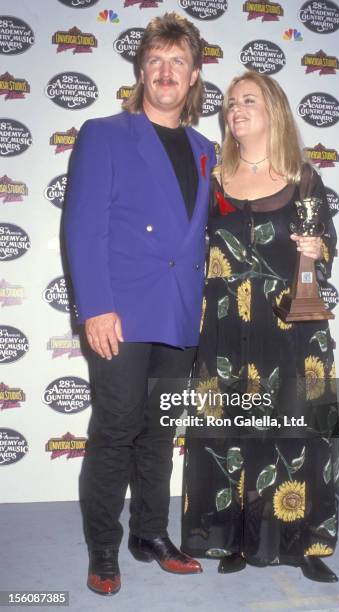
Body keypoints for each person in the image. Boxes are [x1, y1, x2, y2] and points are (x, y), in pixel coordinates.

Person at [64, 12, 216, 595]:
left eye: (178, 61)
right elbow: (82, 227)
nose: (165, 71)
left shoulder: (207, 149)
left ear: (195, 74)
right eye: (156, 61)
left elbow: (204, 235)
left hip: (179, 313)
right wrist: (95, 306)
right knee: (116, 427)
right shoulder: (106, 133)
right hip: (121, 311)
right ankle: (104, 545)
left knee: (160, 432)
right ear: (142, 71)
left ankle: (150, 533)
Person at [181, 71, 339, 582]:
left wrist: (318, 252)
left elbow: (324, 254)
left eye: (248, 100)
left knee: (300, 433)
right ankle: (237, 539)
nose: (235, 109)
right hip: (227, 328)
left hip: (290, 328)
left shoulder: (305, 180)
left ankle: (306, 545)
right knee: (231, 433)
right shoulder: (213, 180)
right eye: (229, 103)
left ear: (274, 109)